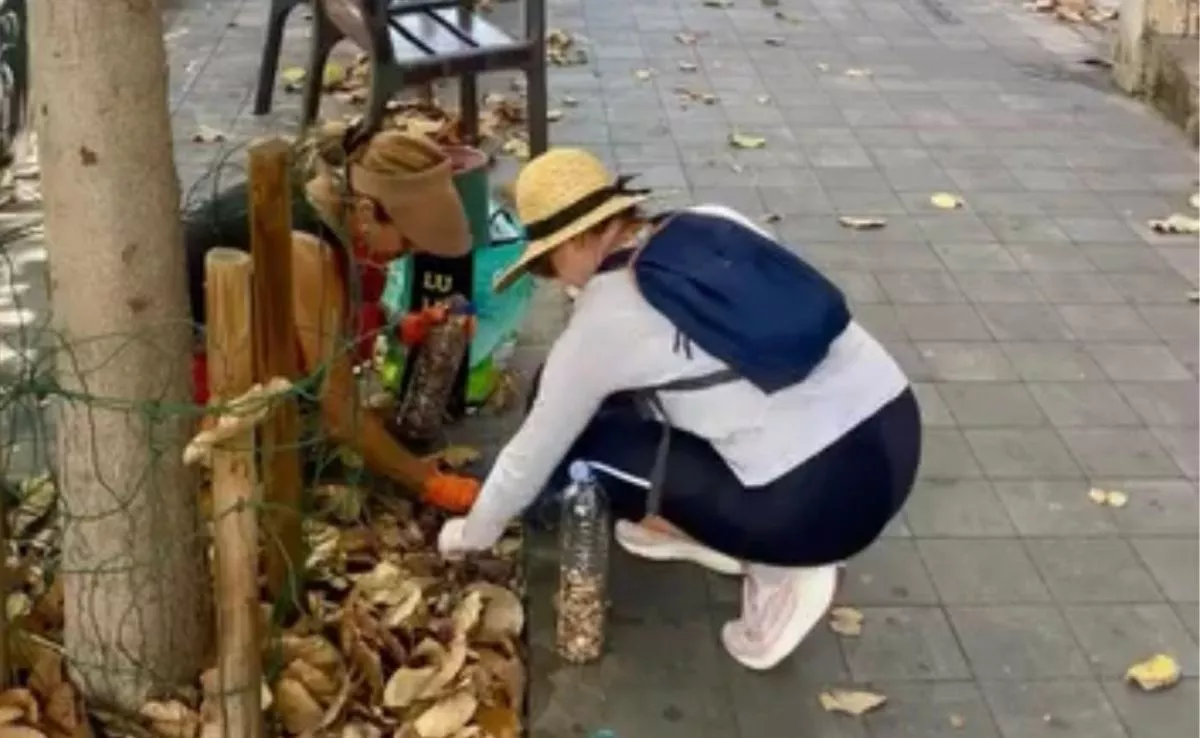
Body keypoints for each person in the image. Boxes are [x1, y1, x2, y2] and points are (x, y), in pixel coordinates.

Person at [437, 148, 922, 671]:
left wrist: (471, 534)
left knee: (583, 453)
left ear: (576, 241)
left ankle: (785, 570)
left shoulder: (604, 322)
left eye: (549, 266)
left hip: (815, 509)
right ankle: (688, 525)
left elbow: (529, 455)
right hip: (896, 429)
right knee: (648, 399)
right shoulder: (710, 222)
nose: (560, 283)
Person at [183, 123, 481, 513]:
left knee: (358, 288)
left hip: (254, 314)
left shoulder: (335, 188)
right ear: (367, 210)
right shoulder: (308, 249)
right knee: (316, 392)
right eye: (406, 241)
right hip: (195, 355)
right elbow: (340, 410)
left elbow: (339, 309)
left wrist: (400, 326)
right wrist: (427, 481)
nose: (406, 253)